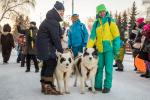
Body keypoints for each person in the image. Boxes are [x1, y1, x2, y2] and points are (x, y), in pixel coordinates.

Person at [87, 4, 120, 93]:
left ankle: (107, 86)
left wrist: (116, 50)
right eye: (100, 12)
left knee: (108, 69)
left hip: (109, 50)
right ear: (98, 13)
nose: (102, 13)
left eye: (103, 11)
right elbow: (92, 37)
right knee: (99, 68)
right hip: (100, 50)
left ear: (105, 11)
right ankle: (97, 86)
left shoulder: (110, 21)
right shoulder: (96, 23)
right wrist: (88, 49)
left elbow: (116, 36)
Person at [36, 1, 64, 95]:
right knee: (51, 63)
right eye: (61, 11)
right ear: (57, 11)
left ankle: (44, 85)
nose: (63, 13)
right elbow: (55, 38)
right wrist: (61, 50)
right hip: (47, 46)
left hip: (43, 46)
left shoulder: (50, 19)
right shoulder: (53, 21)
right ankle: (48, 86)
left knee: (46, 64)